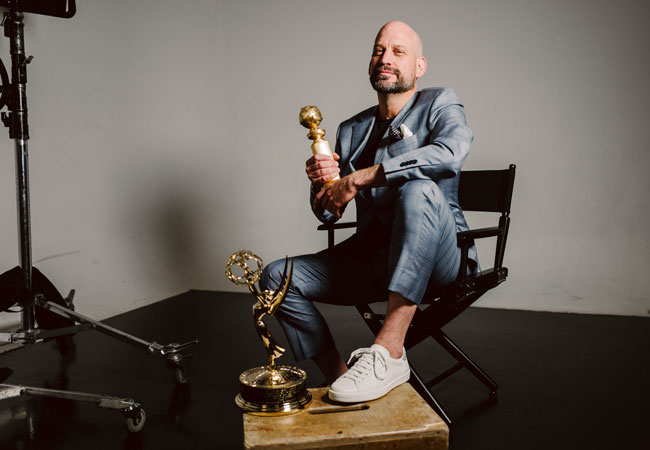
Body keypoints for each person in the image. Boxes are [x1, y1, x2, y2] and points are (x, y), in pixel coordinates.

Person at [260, 20, 477, 403]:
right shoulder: (350, 129)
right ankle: (343, 379)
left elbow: (450, 154)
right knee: (276, 277)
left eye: (398, 51)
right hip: (374, 260)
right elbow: (327, 215)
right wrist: (323, 186)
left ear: (419, 66)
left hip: (441, 260)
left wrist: (361, 178)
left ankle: (390, 351)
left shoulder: (440, 102)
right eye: (379, 50)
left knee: (419, 189)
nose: (386, 58)